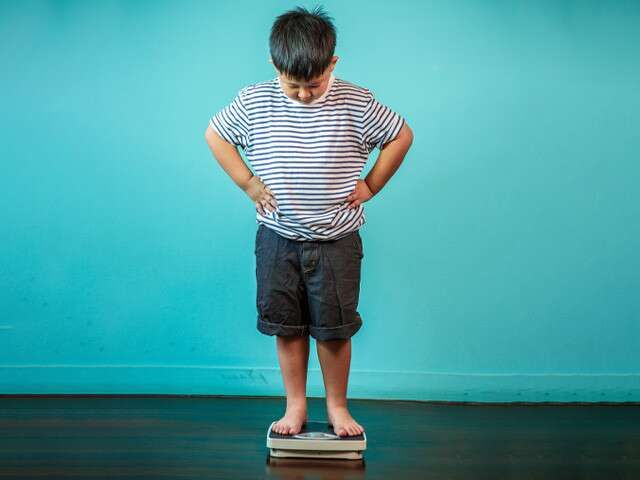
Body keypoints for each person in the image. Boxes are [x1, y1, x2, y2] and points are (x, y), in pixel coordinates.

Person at [204, 6, 414, 437]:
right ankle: (295, 405)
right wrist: (248, 183)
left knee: (334, 329)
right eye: (292, 84)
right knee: (287, 326)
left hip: (337, 239)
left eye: (313, 85)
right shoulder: (254, 101)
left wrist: (371, 185)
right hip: (278, 238)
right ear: (274, 65)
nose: (303, 94)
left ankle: (337, 406)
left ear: (332, 64)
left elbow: (400, 135)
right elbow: (216, 135)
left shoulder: (356, 101)